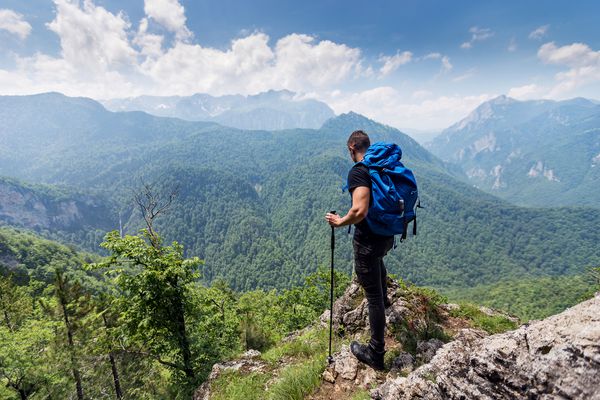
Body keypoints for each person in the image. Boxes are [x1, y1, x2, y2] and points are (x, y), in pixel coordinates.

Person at [325, 130, 393, 371]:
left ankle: (376, 352)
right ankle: (385, 301)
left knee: (371, 297)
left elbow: (359, 210)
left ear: (353, 147)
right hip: (386, 236)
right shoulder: (382, 166)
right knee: (378, 264)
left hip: (368, 240)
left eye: (349, 150)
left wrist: (339, 221)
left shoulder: (359, 170)